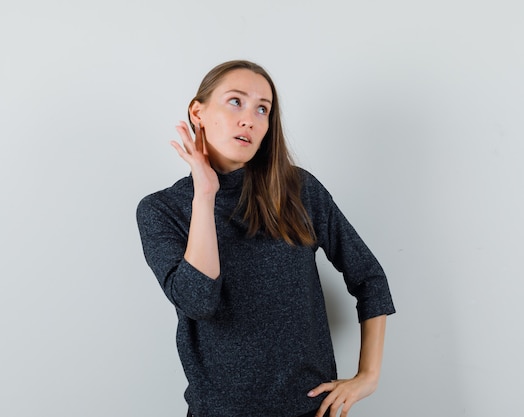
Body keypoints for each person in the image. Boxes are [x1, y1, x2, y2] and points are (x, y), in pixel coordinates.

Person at [136, 60, 395, 417]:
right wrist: (205, 192)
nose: (250, 119)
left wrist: (368, 376)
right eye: (235, 101)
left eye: (263, 109)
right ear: (198, 111)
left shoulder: (298, 190)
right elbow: (198, 302)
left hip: (311, 411)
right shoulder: (162, 209)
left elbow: (369, 277)